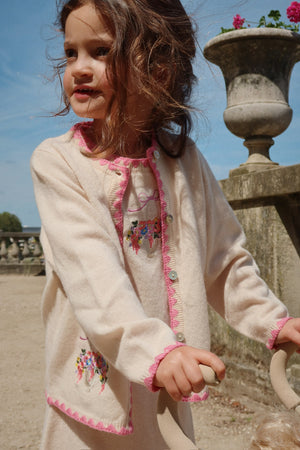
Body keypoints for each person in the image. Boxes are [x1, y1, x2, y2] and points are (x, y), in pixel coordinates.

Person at [31, 1, 300, 448]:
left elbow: (224, 259)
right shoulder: (58, 164)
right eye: (70, 53)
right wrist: (156, 351)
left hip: (168, 387)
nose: (79, 68)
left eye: (100, 51)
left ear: (158, 68)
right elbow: (93, 276)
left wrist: (274, 320)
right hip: (93, 398)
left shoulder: (184, 161)